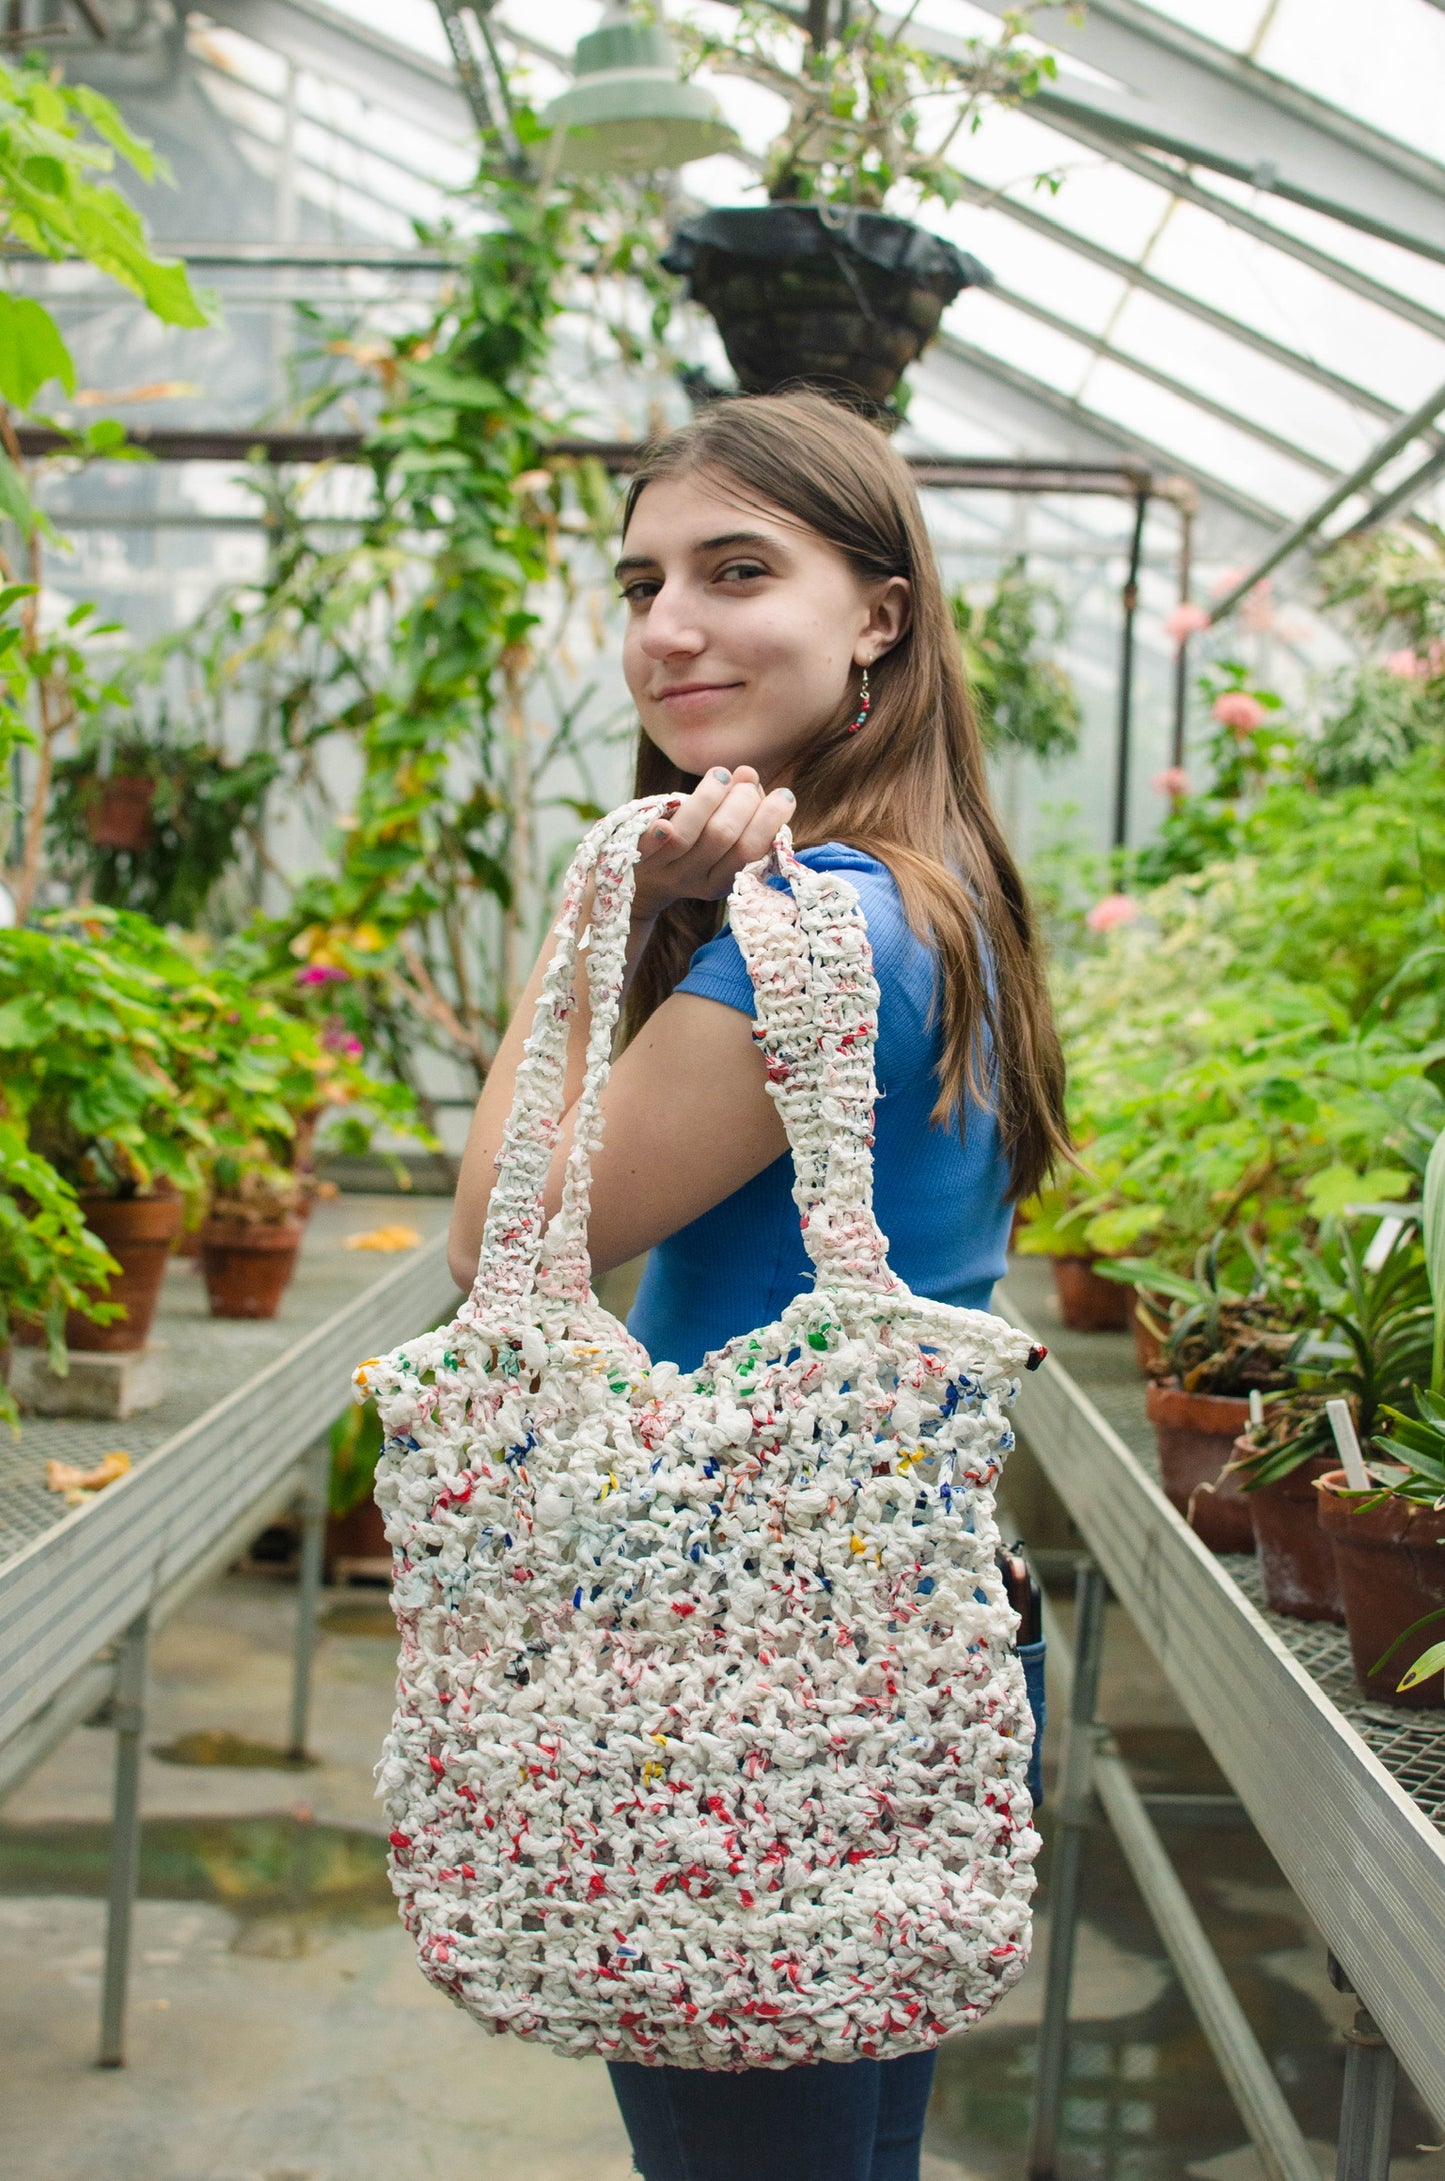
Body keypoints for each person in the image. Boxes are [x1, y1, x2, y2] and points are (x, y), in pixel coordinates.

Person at [448, 390, 1069, 2181]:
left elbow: (506, 1220)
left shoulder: (828, 923)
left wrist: (615, 910)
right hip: (897, 1632)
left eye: (738, 569)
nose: (668, 625)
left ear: (879, 611)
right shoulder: (934, 890)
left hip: (746, 1675)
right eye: (642, 580)